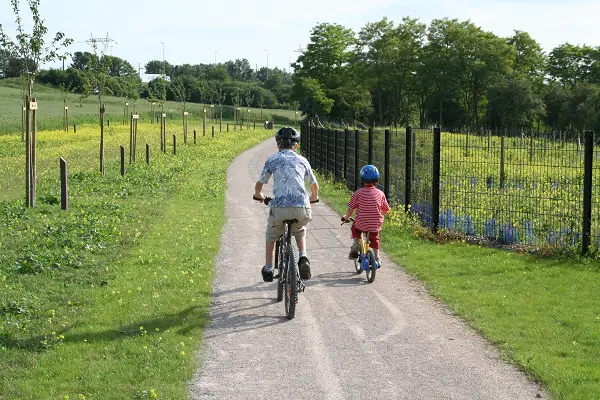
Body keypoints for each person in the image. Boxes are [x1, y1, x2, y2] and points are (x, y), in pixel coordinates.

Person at [254, 127, 319, 282]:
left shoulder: (272, 160)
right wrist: (312, 198)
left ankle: (269, 268)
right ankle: (303, 258)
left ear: (278, 144)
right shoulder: (303, 160)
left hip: (280, 208)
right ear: (295, 145)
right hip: (302, 208)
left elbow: (260, 183)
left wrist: (259, 195)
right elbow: (314, 185)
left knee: (271, 235)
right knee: (300, 228)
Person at [341, 165, 390, 266]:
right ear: (376, 181)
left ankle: (355, 244)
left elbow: (351, 209)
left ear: (362, 180)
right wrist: (378, 214)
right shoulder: (380, 194)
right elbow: (386, 209)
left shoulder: (358, 193)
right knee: (375, 238)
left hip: (361, 223)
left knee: (355, 228)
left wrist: (346, 217)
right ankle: (377, 258)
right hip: (375, 225)